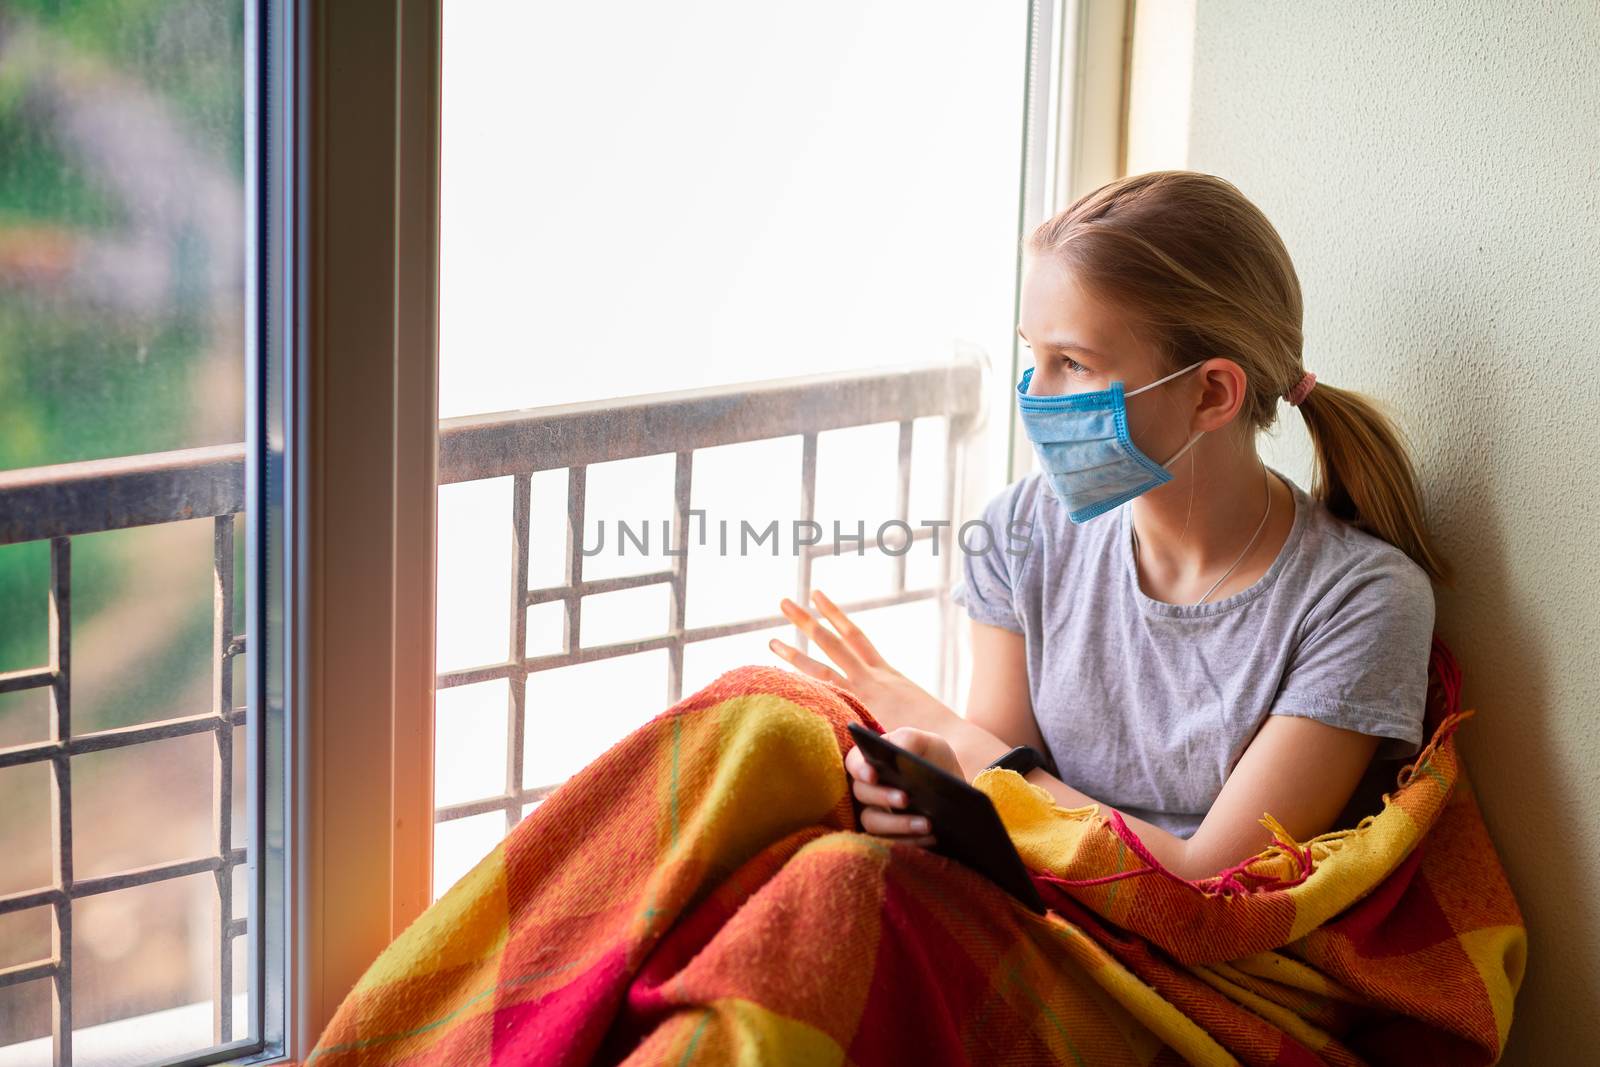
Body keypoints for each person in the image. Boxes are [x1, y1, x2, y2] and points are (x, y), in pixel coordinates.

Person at [768, 170, 1446, 881]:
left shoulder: (1364, 600)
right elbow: (1004, 796)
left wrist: (962, 743)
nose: (1036, 396)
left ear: (1212, 392)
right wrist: (935, 782)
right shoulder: (1017, 530)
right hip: (1042, 906)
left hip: (1197, 964)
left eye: (1072, 363)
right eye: (1034, 355)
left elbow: (1206, 881)